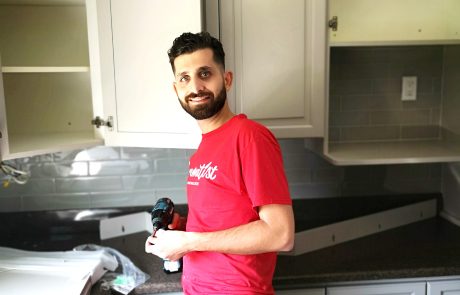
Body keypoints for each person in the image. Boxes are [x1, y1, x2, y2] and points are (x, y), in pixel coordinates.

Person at [145, 31, 295, 295]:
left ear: (226, 79)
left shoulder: (250, 137)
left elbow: (280, 234)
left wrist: (188, 241)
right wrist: (181, 229)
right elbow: (225, 219)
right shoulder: (203, 148)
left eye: (205, 74)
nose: (195, 87)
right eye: (185, 78)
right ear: (176, 89)